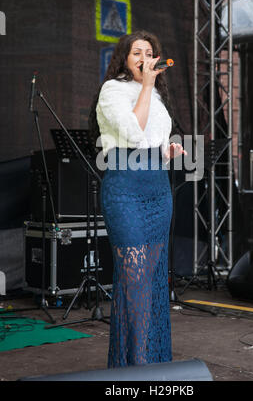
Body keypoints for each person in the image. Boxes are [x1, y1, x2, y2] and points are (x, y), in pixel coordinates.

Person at [89, 30, 186, 368]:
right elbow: (131, 133)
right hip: (125, 188)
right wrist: (146, 86)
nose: (145, 58)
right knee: (134, 276)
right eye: (137, 53)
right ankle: (135, 363)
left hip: (157, 189)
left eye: (150, 52)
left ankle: (154, 362)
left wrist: (168, 149)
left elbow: (152, 136)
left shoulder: (157, 96)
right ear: (125, 59)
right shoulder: (112, 90)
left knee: (154, 278)